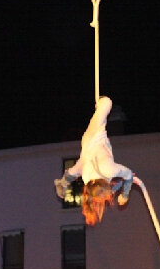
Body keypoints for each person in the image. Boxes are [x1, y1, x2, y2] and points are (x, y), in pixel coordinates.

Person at [54, 96, 134, 226]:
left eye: (105, 197)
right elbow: (113, 187)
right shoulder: (89, 182)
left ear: (104, 187)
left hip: (95, 136)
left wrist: (125, 195)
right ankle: (62, 182)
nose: (108, 198)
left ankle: (63, 182)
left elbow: (129, 174)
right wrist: (122, 184)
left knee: (107, 102)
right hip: (87, 156)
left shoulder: (109, 170)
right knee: (75, 171)